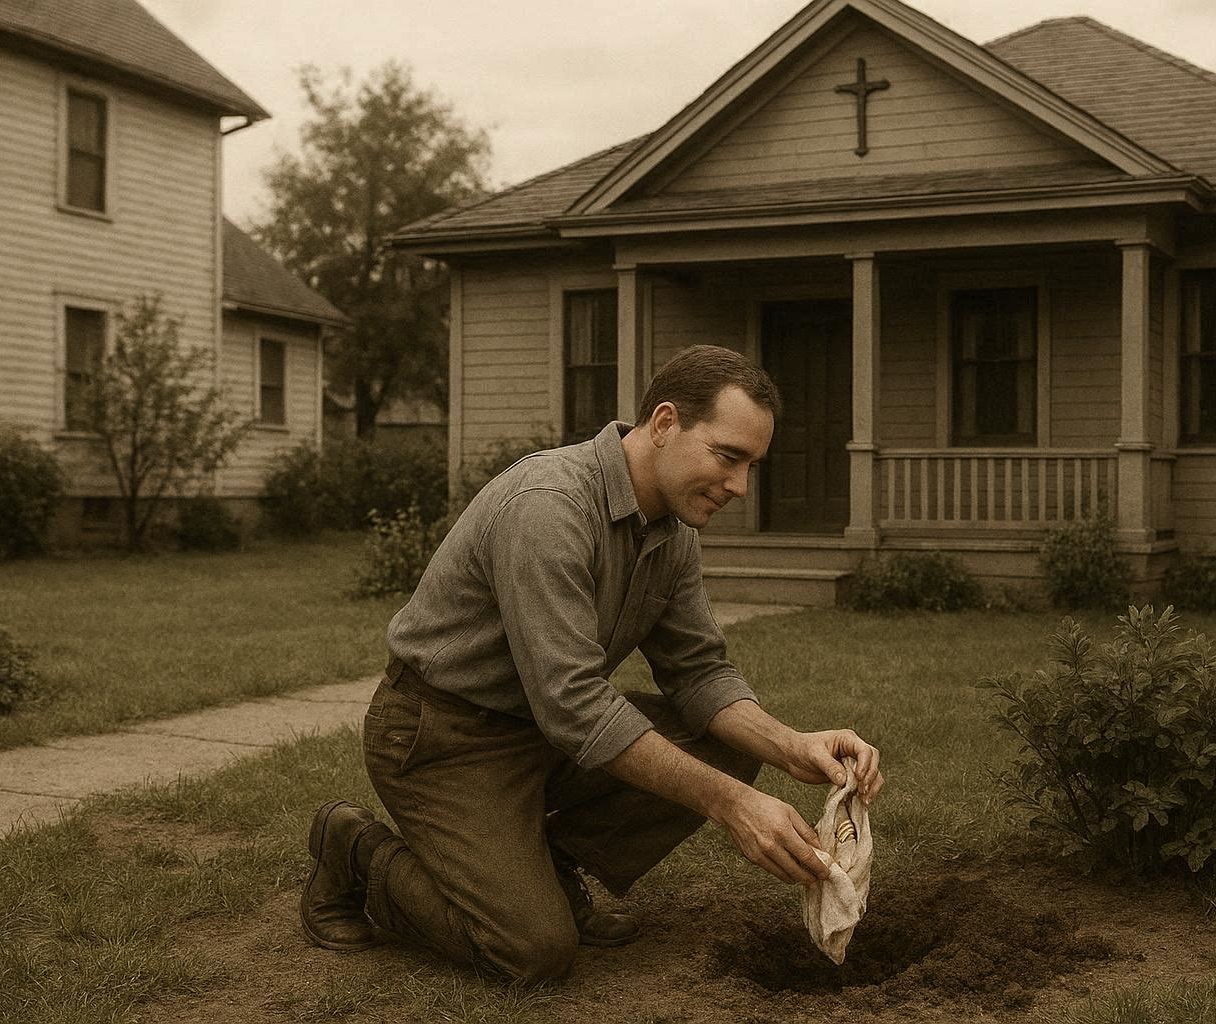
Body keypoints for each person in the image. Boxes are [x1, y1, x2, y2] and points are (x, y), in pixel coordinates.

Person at [301, 344, 885, 984]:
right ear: (664, 425)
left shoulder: (672, 531)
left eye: (752, 465)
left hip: (541, 735)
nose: (740, 486)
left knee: (727, 748)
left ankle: (540, 864)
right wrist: (732, 806)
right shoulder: (549, 506)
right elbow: (575, 705)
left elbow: (698, 672)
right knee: (531, 952)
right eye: (728, 456)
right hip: (443, 737)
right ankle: (353, 848)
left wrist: (790, 745)